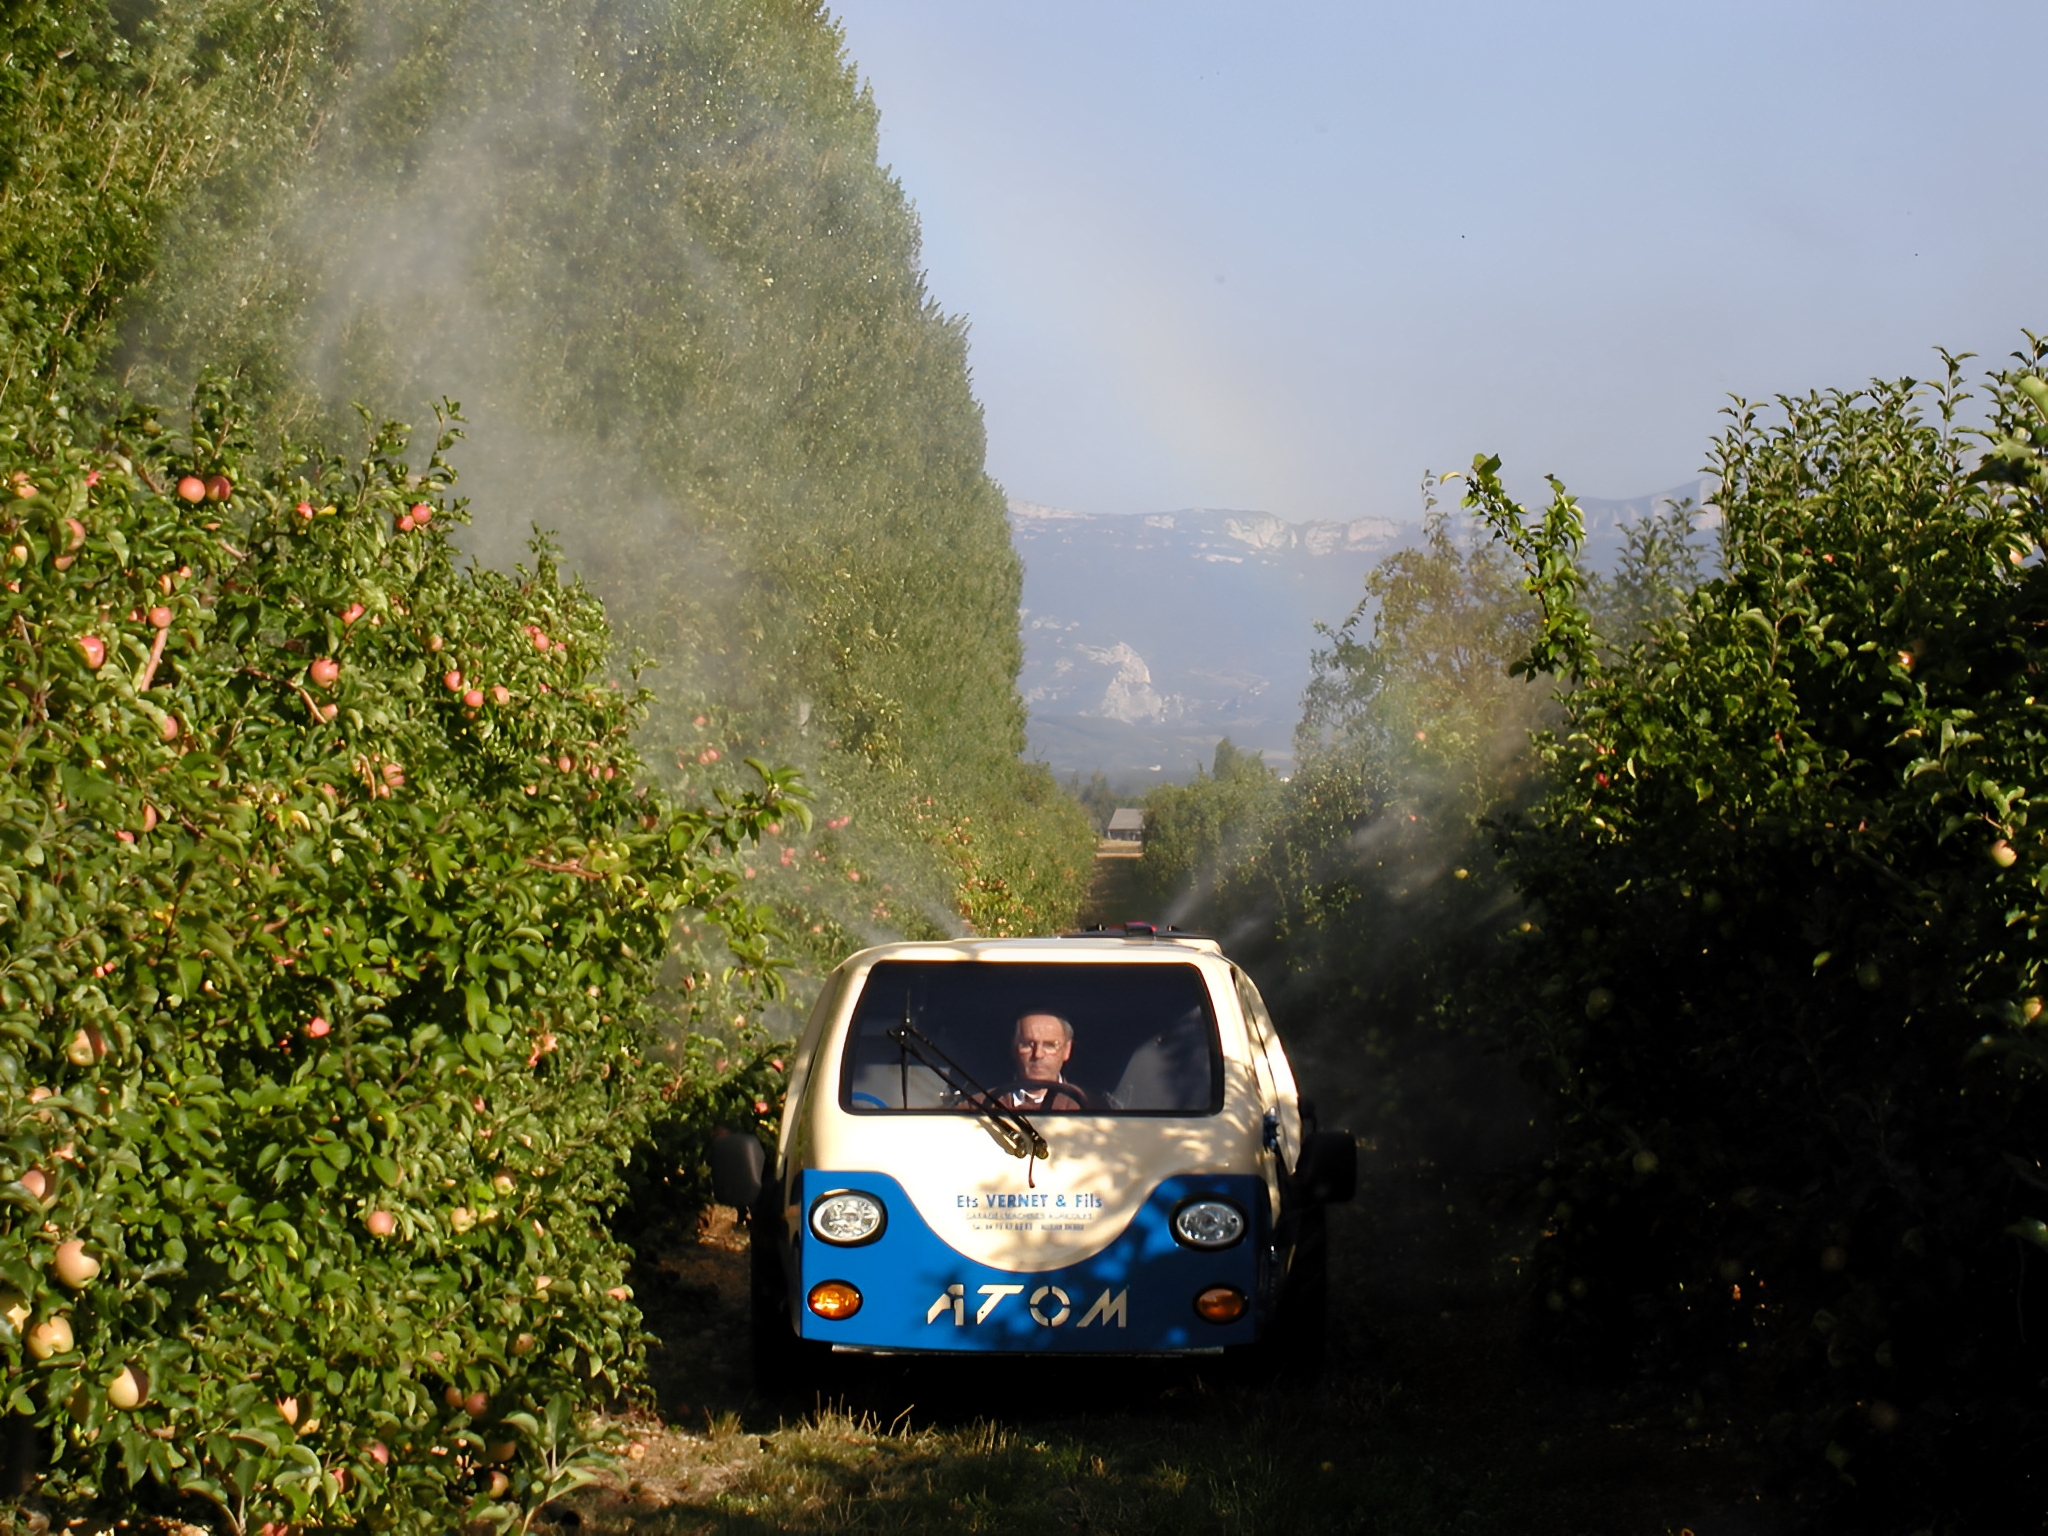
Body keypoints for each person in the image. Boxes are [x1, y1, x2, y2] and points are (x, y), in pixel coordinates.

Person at [975, 1011, 1093, 1111]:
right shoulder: (976, 1107)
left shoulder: (1091, 1108)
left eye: (1049, 1045)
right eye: (1027, 1045)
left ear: (1067, 1050)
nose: (1038, 1054)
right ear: (1014, 1047)